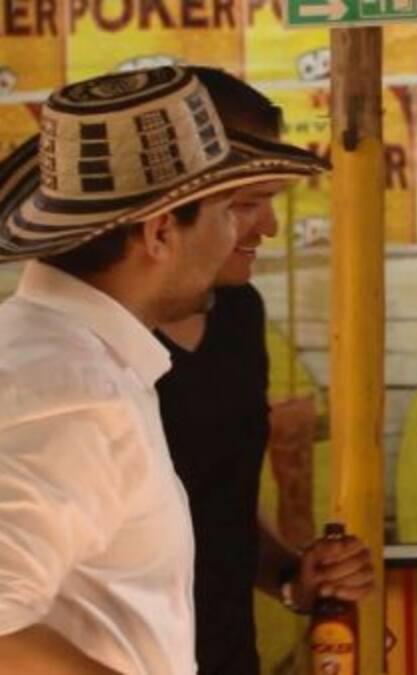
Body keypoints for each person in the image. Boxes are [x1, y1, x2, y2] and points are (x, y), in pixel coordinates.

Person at [0, 66, 326, 674]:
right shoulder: (73, 392)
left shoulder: (75, 361)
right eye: (227, 210)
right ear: (159, 232)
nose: (242, 232)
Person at [154, 67, 374, 674]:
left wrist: (292, 578)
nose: (270, 227)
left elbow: (219, 503)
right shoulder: (76, 349)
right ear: (166, 209)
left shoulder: (238, 314)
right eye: (246, 204)